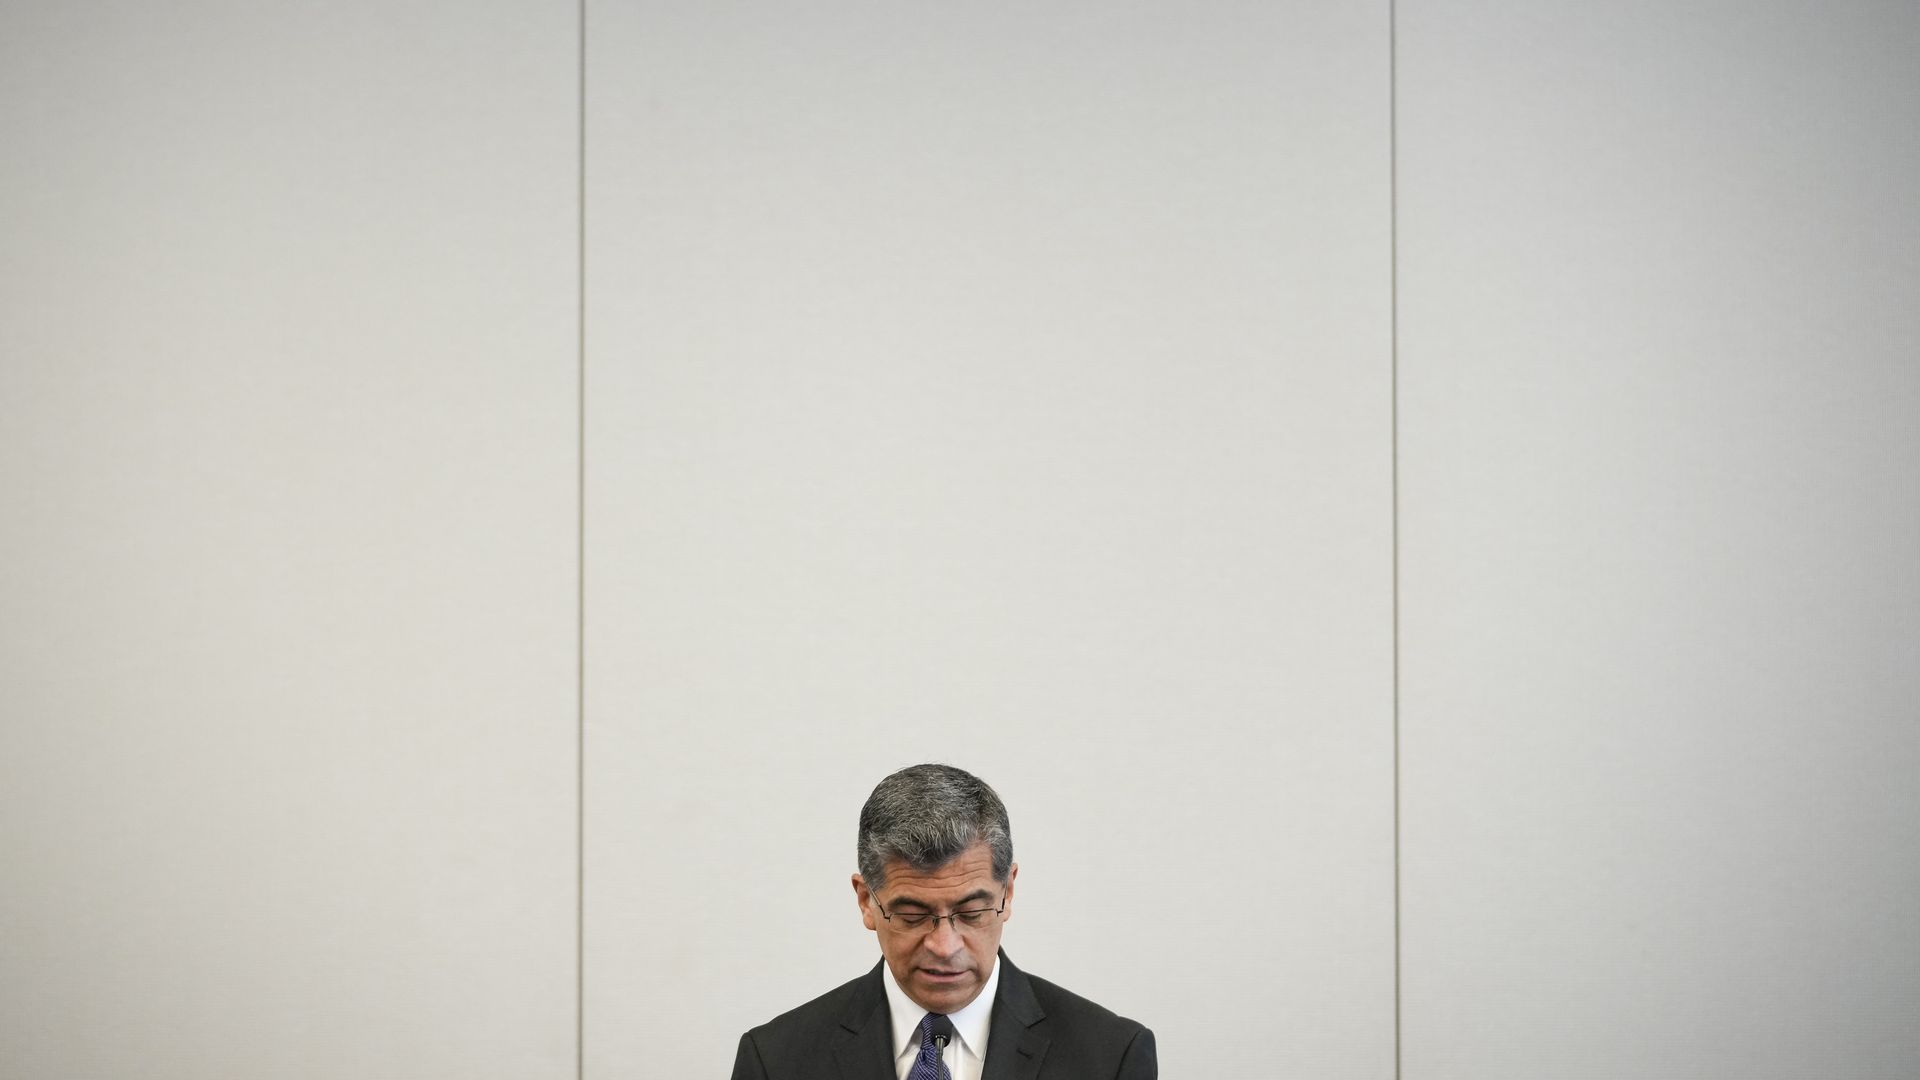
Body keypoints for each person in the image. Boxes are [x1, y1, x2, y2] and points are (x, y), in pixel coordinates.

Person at [730, 763, 1157, 1080]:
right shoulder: (776, 1060)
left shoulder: (1111, 1057)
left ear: (1008, 892)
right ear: (866, 901)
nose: (945, 946)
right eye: (913, 916)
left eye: (971, 913)